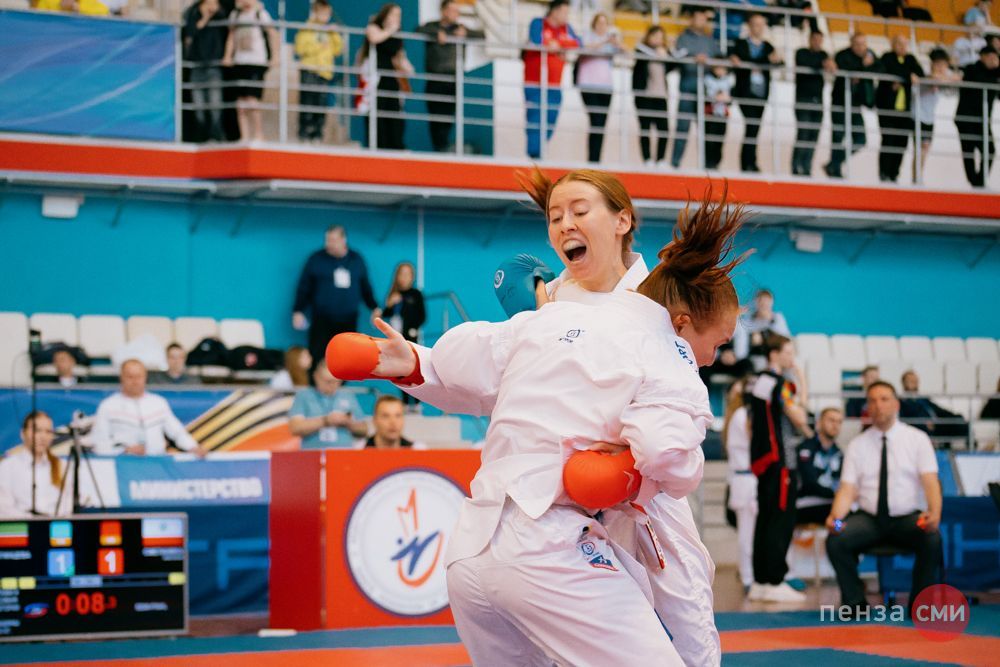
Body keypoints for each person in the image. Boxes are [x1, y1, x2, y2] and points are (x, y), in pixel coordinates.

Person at [332, 180, 749, 666]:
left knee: (680, 601)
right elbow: (477, 374)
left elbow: (468, 354)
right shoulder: (599, 319)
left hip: (480, 542)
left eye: (579, 211)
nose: (565, 224)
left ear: (622, 221)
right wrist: (414, 364)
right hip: (552, 530)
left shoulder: (589, 310)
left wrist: (632, 479)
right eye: (554, 216)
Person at [825, 381, 943, 616]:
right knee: (835, 539)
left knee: (932, 538)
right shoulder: (857, 445)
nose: (878, 405)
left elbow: (930, 481)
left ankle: (920, 606)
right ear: (867, 407)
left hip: (906, 518)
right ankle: (856, 605)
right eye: (872, 401)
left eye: (884, 399)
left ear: (896, 404)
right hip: (868, 519)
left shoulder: (917, 439)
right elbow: (847, 489)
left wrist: (934, 513)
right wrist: (835, 518)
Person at [747, 334, 813, 602]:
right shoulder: (778, 383)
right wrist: (801, 379)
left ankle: (760, 581)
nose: (791, 358)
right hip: (781, 463)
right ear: (774, 354)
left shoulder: (758, 381)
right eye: (788, 353)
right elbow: (800, 415)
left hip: (765, 462)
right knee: (780, 521)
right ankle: (774, 580)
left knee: (765, 520)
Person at [293, 224, 381, 369]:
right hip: (321, 320)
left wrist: (374, 307)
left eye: (333, 240)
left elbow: (365, 286)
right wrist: (298, 310)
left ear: (343, 240)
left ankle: (342, 383)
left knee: (345, 358)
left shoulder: (356, 260)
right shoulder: (316, 259)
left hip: (348, 320)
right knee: (317, 356)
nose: (329, 244)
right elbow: (304, 286)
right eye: (327, 240)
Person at [89, 360, 206, 456]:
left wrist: (193, 447)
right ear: (121, 377)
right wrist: (124, 450)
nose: (135, 381)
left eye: (139, 376)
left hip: (156, 465)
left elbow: (177, 433)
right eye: (130, 377)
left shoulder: (158, 403)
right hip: (123, 465)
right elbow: (98, 442)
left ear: (145, 377)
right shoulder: (108, 406)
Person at [416, 0, 485, 152]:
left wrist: (466, 34)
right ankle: (439, 147)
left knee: (449, 115)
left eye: (457, 10)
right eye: (452, 10)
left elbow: (482, 35)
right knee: (436, 115)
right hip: (435, 79)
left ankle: (443, 146)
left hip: (453, 79)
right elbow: (418, 30)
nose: (456, 14)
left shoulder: (461, 28)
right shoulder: (433, 26)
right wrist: (436, 34)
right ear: (443, 11)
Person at [522, 0, 580, 159]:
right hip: (534, 81)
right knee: (535, 116)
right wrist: (553, 45)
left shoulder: (566, 28)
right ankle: (534, 154)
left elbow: (578, 42)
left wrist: (558, 44)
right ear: (554, 11)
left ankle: (540, 150)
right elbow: (536, 39)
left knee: (551, 117)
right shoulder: (538, 23)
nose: (567, 16)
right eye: (565, 12)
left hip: (554, 84)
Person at [729, 14, 781, 173]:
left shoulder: (768, 46)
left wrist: (775, 60)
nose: (759, 28)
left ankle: (750, 162)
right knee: (752, 125)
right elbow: (742, 59)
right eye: (756, 24)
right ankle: (748, 163)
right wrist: (765, 61)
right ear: (749, 26)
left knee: (755, 127)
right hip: (745, 91)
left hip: (761, 93)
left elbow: (778, 62)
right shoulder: (740, 43)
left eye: (761, 24)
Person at [672, 7, 722, 168]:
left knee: (707, 129)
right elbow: (678, 56)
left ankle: (708, 165)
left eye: (704, 19)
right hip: (688, 88)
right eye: (699, 18)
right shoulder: (683, 38)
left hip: (707, 92)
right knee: (682, 127)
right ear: (692, 19)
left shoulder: (710, 41)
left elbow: (719, 61)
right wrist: (694, 58)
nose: (702, 21)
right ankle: (675, 163)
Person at [0, 411, 77, 517]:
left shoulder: (62, 466)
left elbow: (68, 505)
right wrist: (34, 521)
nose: (43, 436)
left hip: (55, 525)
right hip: (21, 525)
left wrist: (50, 520)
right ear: (23, 434)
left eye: (48, 431)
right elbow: (4, 508)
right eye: (37, 430)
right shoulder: (7, 467)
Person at [222, 0, 279, 142]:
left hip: (256, 62)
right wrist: (227, 55)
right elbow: (231, 36)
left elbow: (273, 33)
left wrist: (275, 56)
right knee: (240, 101)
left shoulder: (260, 14)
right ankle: (244, 135)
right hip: (239, 61)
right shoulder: (235, 15)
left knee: (253, 99)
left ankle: (258, 134)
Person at [359, 3, 414, 150]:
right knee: (377, 113)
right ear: (385, 15)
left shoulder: (397, 36)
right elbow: (374, 38)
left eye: (399, 15)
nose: (397, 18)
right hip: (376, 78)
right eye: (394, 14)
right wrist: (391, 30)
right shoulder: (374, 27)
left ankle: (396, 146)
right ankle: (377, 146)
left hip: (391, 78)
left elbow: (400, 56)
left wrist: (408, 68)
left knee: (394, 114)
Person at [825, 33, 880, 178]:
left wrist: (865, 68)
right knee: (838, 136)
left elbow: (880, 68)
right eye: (857, 44)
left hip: (856, 105)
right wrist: (863, 67)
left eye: (863, 43)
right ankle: (835, 170)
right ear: (851, 44)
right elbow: (846, 70)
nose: (861, 47)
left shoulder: (870, 54)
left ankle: (834, 163)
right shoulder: (843, 55)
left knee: (860, 139)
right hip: (840, 102)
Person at [875, 35, 924, 183]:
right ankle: (884, 172)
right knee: (888, 140)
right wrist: (908, 77)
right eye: (899, 44)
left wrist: (902, 79)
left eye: (904, 44)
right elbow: (890, 71)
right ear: (892, 45)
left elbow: (920, 73)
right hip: (887, 109)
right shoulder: (887, 57)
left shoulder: (910, 59)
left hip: (904, 110)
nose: (902, 47)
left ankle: (894, 174)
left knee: (902, 143)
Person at [294, 0, 342, 144]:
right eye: (323, 13)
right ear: (315, 12)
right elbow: (300, 49)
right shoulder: (306, 29)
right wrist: (319, 47)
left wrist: (334, 33)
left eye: (328, 14)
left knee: (321, 103)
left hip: (324, 72)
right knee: (308, 101)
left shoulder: (330, 31)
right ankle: (304, 132)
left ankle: (317, 133)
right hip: (309, 69)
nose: (326, 17)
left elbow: (338, 50)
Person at [724, 378, 756, 592]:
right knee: (747, 532)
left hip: (748, 478)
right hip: (744, 477)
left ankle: (750, 575)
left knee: (751, 533)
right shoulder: (742, 415)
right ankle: (747, 577)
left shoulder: (740, 414)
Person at [288, 365, 368, 449]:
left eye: (335, 381)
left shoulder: (347, 395)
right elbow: (295, 428)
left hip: (343, 452)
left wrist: (348, 423)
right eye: (327, 381)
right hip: (313, 452)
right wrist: (325, 421)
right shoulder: (304, 395)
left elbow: (364, 429)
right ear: (316, 377)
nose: (331, 385)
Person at [577, 13, 621, 163]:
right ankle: (592, 159)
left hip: (606, 87)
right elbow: (584, 48)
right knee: (595, 120)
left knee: (601, 124)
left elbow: (627, 52)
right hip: (588, 85)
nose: (602, 26)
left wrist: (617, 44)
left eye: (605, 23)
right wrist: (605, 41)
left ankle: (596, 160)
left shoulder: (610, 41)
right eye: (599, 23)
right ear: (594, 24)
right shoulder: (587, 36)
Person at [183, 0, 228, 143]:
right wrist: (205, 17)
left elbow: (227, 25)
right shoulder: (193, 13)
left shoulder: (220, 15)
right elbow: (190, 32)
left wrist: (214, 11)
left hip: (213, 66)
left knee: (215, 104)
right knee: (199, 106)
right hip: (197, 66)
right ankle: (201, 137)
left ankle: (216, 136)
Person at [955, 46, 999, 188]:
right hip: (966, 118)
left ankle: (979, 182)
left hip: (983, 120)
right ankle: (974, 182)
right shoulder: (972, 69)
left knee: (990, 150)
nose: (993, 60)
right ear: (982, 57)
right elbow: (981, 81)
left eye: (995, 58)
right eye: (990, 57)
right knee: (969, 150)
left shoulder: (995, 73)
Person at [913, 49, 960, 183]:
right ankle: (917, 177)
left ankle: (918, 176)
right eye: (938, 64)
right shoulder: (926, 75)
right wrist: (945, 78)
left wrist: (947, 76)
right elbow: (934, 78)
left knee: (924, 148)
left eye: (944, 65)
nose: (941, 68)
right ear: (932, 64)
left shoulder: (943, 76)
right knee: (921, 148)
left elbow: (957, 77)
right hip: (918, 115)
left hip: (929, 118)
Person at [792, 31, 834, 176]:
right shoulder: (801, 52)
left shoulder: (824, 54)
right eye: (815, 39)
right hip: (803, 99)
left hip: (818, 100)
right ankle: (796, 166)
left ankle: (807, 167)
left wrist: (827, 64)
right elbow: (805, 64)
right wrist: (822, 64)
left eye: (820, 40)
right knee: (803, 133)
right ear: (809, 39)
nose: (817, 42)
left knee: (813, 135)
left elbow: (830, 66)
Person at [632, 26, 674, 166]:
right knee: (645, 128)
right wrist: (654, 53)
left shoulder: (665, 53)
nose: (658, 39)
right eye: (655, 36)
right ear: (648, 36)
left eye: (660, 37)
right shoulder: (642, 51)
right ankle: (647, 159)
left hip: (661, 97)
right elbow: (638, 58)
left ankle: (661, 159)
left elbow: (675, 65)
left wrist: (667, 54)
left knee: (664, 129)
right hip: (645, 97)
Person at [796, 407, 843, 524]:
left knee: (845, 513)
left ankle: (837, 530)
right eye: (831, 420)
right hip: (808, 503)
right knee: (837, 513)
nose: (835, 425)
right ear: (819, 423)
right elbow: (809, 483)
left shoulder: (839, 453)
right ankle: (836, 528)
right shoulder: (805, 449)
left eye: (839, 422)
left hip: (832, 503)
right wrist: (834, 494)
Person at [899, 370, 969, 443]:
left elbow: (938, 409)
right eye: (912, 381)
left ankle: (971, 444)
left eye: (916, 381)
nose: (915, 384)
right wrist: (924, 423)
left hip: (937, 424)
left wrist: (954, 416)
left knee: (959, 420)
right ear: (904, 383)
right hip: (923, 427)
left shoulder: (923, 399)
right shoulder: (903, 402)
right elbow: (908, 420)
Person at [732, 288, 791, 363]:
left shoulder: (777, 318)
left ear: (771, 303)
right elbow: (740, 335)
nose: (763, 304)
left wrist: (770, 321)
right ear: (756, 303)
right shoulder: (749, 319)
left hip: (770, 353)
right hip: (752, 353)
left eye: (766, 301)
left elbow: (785, 338)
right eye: (761, 301)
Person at [703, 64, 733, 170]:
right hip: (710, 115)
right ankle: (708, 163)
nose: (720, 70)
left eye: (723, 68)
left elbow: (730, 100)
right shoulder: (707, 80)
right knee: (709, 140)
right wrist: (714, 97)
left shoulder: (728, 81)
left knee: (720, 140)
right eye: (718, 68)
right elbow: (704, 97)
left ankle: (716, 163)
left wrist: (727, 99)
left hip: (722, 115)